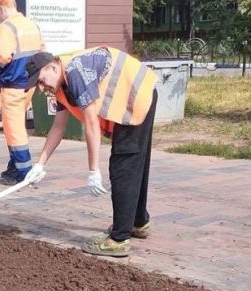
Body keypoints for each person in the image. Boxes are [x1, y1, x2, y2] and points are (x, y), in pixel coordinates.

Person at [24, 46, 158, 258]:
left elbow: (91, 124)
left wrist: (93, 170)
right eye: (37, 85)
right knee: (134, 162)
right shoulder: (61, 85)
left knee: (124, 165)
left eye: (41, 80)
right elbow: (58, 127)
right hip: (138, 92)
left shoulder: (75, 72)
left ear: (53, 66)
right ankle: (137, 222)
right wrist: (40, 164)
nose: (41, 88)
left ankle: (119, 239)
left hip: (135, 94)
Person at [0, 0, 46, 184]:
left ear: (3, 8)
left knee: (14, 128)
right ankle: (13, 167)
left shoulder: (7, 27)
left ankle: (24, 171)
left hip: (12, 83)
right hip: (28, 84)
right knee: (16, 125)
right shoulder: (32, 25)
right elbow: (42, 50)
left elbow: (3, 55)